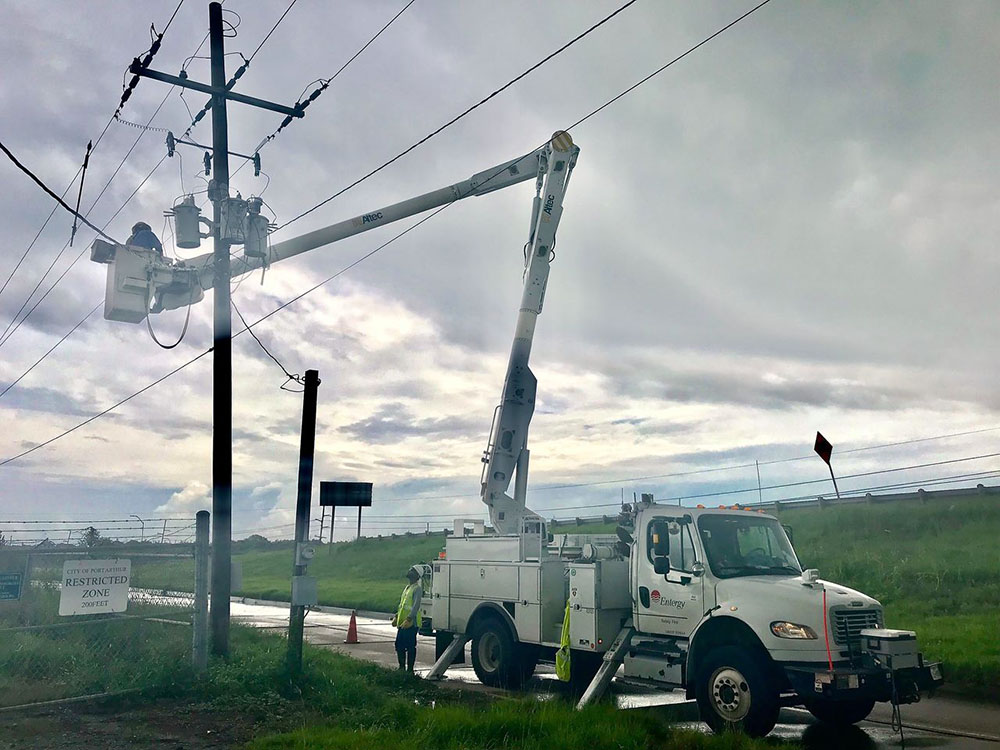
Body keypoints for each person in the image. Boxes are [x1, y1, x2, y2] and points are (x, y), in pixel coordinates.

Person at [392, 565, 422, 673]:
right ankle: (401, 667)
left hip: (411, 623)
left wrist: (409, 619)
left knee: (410, 646)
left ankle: (410, 670)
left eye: (413, 571)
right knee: (399, 645)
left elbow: (416, 605)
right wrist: (396, 616)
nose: (410, 572)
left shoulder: (417, 589)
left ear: (417, 576)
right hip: (402, 623)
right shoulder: (407, 588)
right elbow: (402, 605)